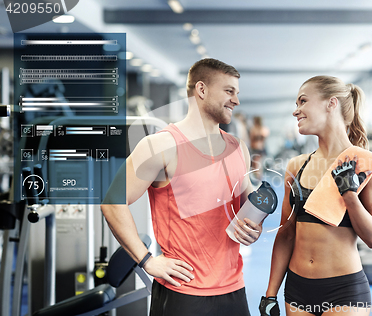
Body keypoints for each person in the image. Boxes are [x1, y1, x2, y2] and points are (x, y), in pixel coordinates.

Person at [101, 58, 263, 316]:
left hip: (234, 289)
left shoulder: (237, 147)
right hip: (183, 292)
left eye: (237, 93)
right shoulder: (161, 146)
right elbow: (112, 202)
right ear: (201, 90)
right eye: (229, 91)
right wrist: (147, 261)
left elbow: (243, 205)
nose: (236, 100)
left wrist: (253, 224)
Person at [259, 76, 372, 316]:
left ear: (331, 103)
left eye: (302, 101)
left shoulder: (368, 165)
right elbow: (286, 234)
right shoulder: (296, 165)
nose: (295, 111)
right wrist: (270, 294)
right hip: (297, 289)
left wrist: (350, 196)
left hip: (344, 291)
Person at [250, 116, 270, 180]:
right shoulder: (264, 129)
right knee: (258, 164)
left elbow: (251, 138)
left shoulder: (254, 129)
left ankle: (258, 178)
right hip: (260, 148)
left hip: (256, 148)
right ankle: (258, 178)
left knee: (256, 164)